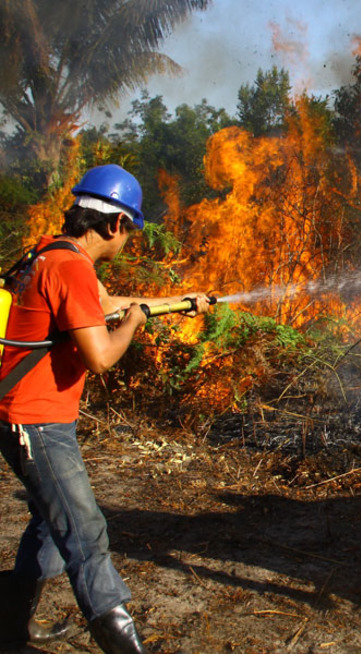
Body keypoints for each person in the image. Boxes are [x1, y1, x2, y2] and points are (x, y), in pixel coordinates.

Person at [0, 164, 212, 653]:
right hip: (38, 421)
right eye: (129, 232)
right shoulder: (72, 267)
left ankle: (9, 625)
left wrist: (176, 303)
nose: (127, 242)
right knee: (85, 529)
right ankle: (125, 645)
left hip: (18, 414)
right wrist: (135, 324)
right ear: (116, 224)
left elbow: (108, 302)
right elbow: (100, 357)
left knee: (49, 524)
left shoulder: (54, 252)